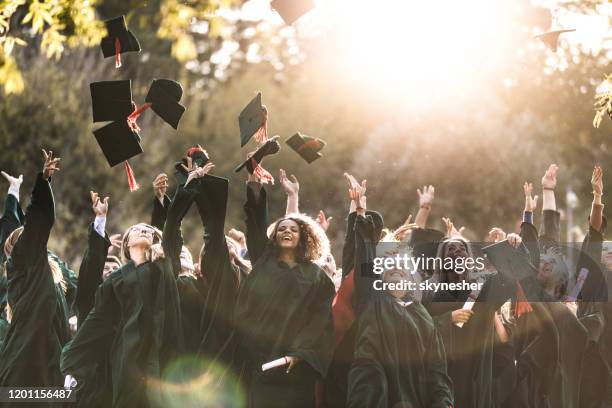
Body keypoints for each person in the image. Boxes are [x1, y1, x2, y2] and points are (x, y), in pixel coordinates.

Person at [60, 160, 214, 406]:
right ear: (126, 243)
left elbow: (171, 228)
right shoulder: (115, 281)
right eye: (137, 229)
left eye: (149, 231)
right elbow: (96, 322)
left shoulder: (165, 268)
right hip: (127, 359)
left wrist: (186, 187)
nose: (144, 231)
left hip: (165, 354)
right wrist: (72, 364)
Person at [344, 180, 454, 408]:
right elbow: (362, 253)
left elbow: (437, 373)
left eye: (400, 262)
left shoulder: (423, 316)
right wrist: (360, 212)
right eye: (387, 262)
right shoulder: (371, 298)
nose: (394, 266)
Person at [234, 169, 335, 408]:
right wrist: (253, 184)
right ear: (274, 237)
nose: (287, 231)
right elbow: (255, 223)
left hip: (295, 366)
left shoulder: (317, 277)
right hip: (260, 359)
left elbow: (319, 321)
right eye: (281, 229)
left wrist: (299, 354)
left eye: (293, 229)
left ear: (304, 237)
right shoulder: (264, 261)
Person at [0, 150, 71, 394]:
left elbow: (16, 228)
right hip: (25, 365)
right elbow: (32, 225)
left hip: (52, 366)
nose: (30, 236)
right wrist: (43, 181)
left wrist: (14, 191)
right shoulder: (21, 263)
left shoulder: (55, 276)